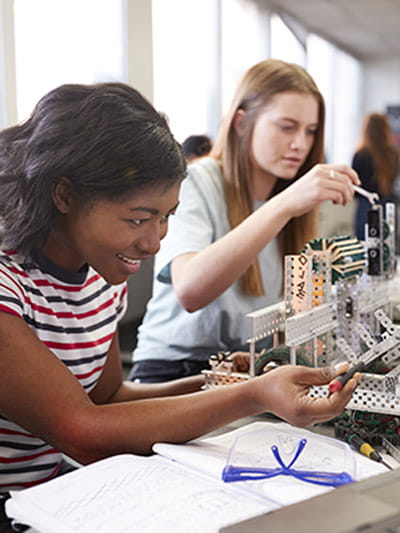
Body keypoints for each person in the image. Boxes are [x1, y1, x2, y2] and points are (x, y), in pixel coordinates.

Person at [0, 82, 361, 512]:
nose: (154, 243)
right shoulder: (9, 284)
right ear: (64, 195)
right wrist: (253, 396)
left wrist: (228, 383)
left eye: (166, 217)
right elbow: (84, 432)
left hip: (46, 494)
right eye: (138, 219)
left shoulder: (97, 277)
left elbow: (109, 399)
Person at [130, 59, 360, 383]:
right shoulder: (197, 181)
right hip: (175, 372)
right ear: (241, 122)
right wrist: (283, 206)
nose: (300, 144)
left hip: (249, 369)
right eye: (286, 127)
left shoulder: (292, 205)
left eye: (310, 131)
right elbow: (190, 291)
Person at [352, 112, 399, 240]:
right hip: (389, 206)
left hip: (366, 207)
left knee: (366, 247)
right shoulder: (393, 155)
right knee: (388, 248)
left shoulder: (360, 155)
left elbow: (355, 187)